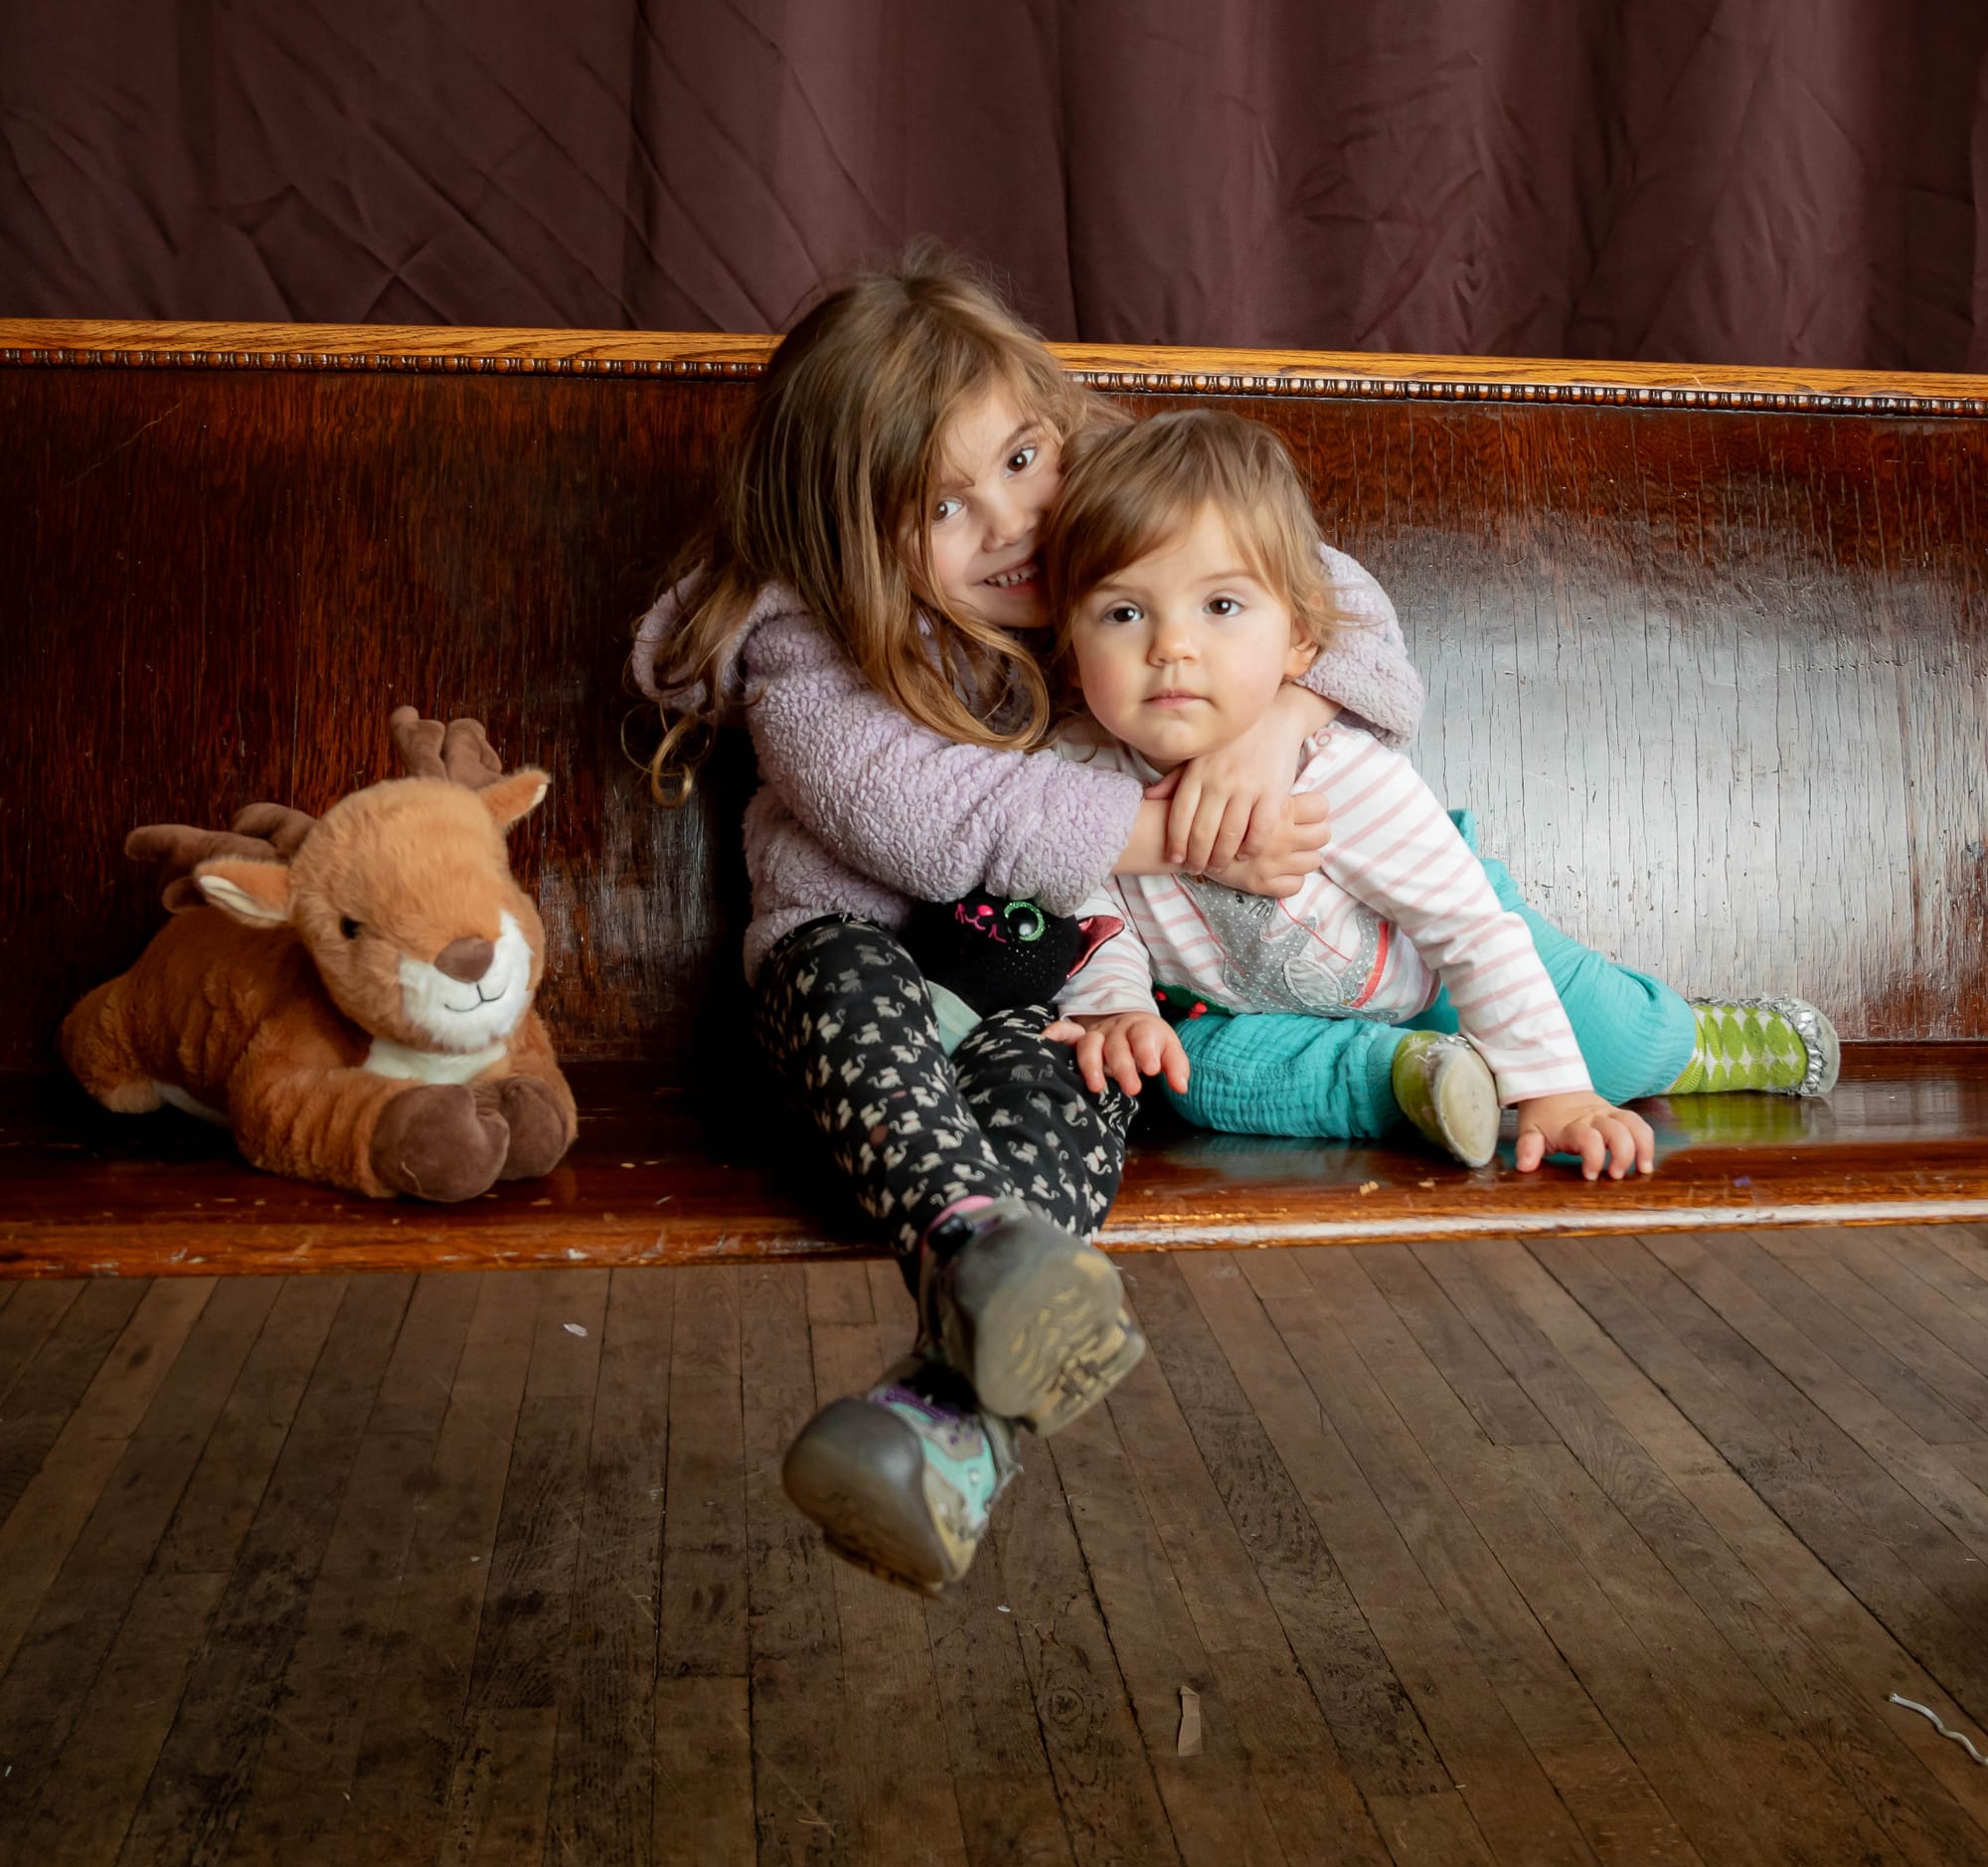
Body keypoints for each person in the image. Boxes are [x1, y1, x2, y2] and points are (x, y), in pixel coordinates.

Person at [632, 245, 1426, 1595]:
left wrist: (1282, 718)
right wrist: (1175, 828)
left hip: (1038, 990)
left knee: (1074, 1084)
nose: (1011, 520)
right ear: (847, 536)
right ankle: (969, 1243)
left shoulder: (1107, 540)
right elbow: (923, 819)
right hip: (857, 1029)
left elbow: (1333, 595)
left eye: (1022, 459)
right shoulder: (801, 646)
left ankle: (944, 1428)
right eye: (943, 505)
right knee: (844, 980)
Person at [1038, 408, 1840, 1177]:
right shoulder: (1075, 776)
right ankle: (1414, 1078)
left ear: (1301, 641)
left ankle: (1700, 1038)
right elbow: (1097, 921)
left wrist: (1555, 1094)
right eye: (1124, 612)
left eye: (1220, 606)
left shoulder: (1333, 765)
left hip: (1444, 966)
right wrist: (1118, 1009)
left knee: (1622, 1047)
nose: (1171, 646)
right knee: (1194, 1079)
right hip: (1268, 1016)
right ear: (1072, 654)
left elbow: (1468, 932)